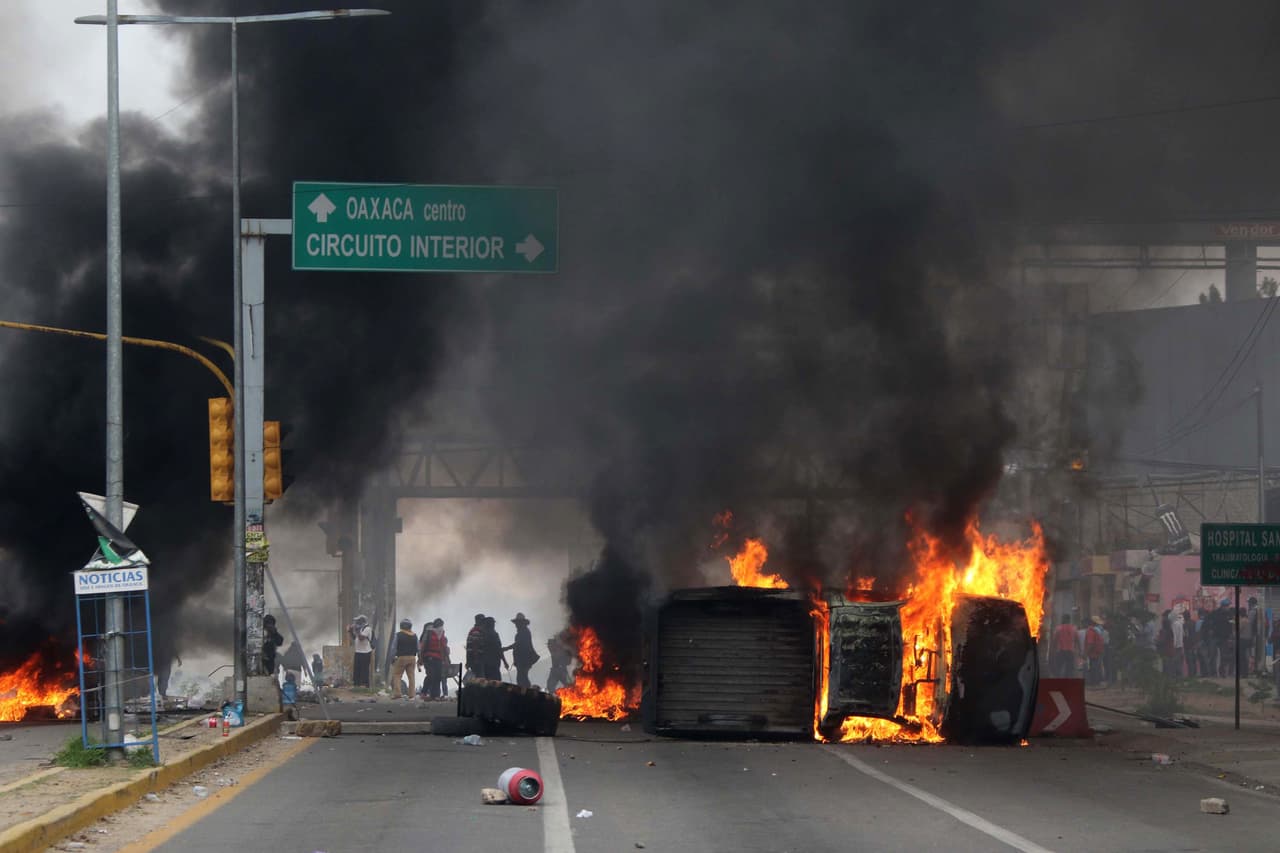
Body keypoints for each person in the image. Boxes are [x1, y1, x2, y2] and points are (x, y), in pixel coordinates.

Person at [504, 613, 540, 689]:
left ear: (521, 623)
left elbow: (518, 644)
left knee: (522, 677)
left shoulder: (524, 632)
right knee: (522, 677)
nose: (516, 625)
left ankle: (527, 692)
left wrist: (506, 648)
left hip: (524, 659)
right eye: (516, 623)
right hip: (522, 659)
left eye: (517, 623)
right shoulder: (522, 631)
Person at [389, 618, 418, 699]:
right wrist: (419, 659)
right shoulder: (415, 636)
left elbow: (393, 648)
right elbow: (418, 648)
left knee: (397, 675)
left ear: (401, 626)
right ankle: (412, 694)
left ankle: (397, 694)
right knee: (411, 676)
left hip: (401, 657)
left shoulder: (398, 635)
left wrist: (392, 658)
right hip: (412, 658)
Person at [420, 618, 446, 699]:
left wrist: (444, 658)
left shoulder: (442, 634)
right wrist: (420, 658)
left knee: (438, 676)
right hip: (429, 657)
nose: (441, 627)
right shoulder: (429, 633)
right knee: (431, 675)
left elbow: (443, 646)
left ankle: (436, 695)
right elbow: (422, 645)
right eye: (441, 625)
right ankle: (425, 692)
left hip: (439, 658)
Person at [481, 616, 509, 681]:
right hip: (494, 664)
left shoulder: (482, 635)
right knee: (496, 682)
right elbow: (499, 650)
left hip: (485, 664)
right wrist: (505, 662)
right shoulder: (494, 635)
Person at [348, 615, 373, 687]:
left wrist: (356, 630)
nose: (355, 623)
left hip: (365, 652)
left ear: (362, 622)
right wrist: (350, 631)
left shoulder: (367, 628)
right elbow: (355, 638)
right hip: (358, 652)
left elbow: (361, 638)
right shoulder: (361, 629)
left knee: (364, 669)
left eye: (357, 621)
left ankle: (365, 685)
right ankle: (356, 685)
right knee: (357, 669)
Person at [1084, 616, 1106, 686]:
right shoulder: (1097, 630)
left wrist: (1086, 653)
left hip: (1093, 653)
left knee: (1093, 667)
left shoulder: (1090, 631)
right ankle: (1096, 682)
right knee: (1097, 667)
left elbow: (1090, 643)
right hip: (1098, 651)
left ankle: (1094, 683)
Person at [465, 614, 486, 680]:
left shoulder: (473, 630)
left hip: (473, 659)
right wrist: (476, 659)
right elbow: (475, 645)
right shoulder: (476, 631)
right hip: (477, 660)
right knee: (480, 679)